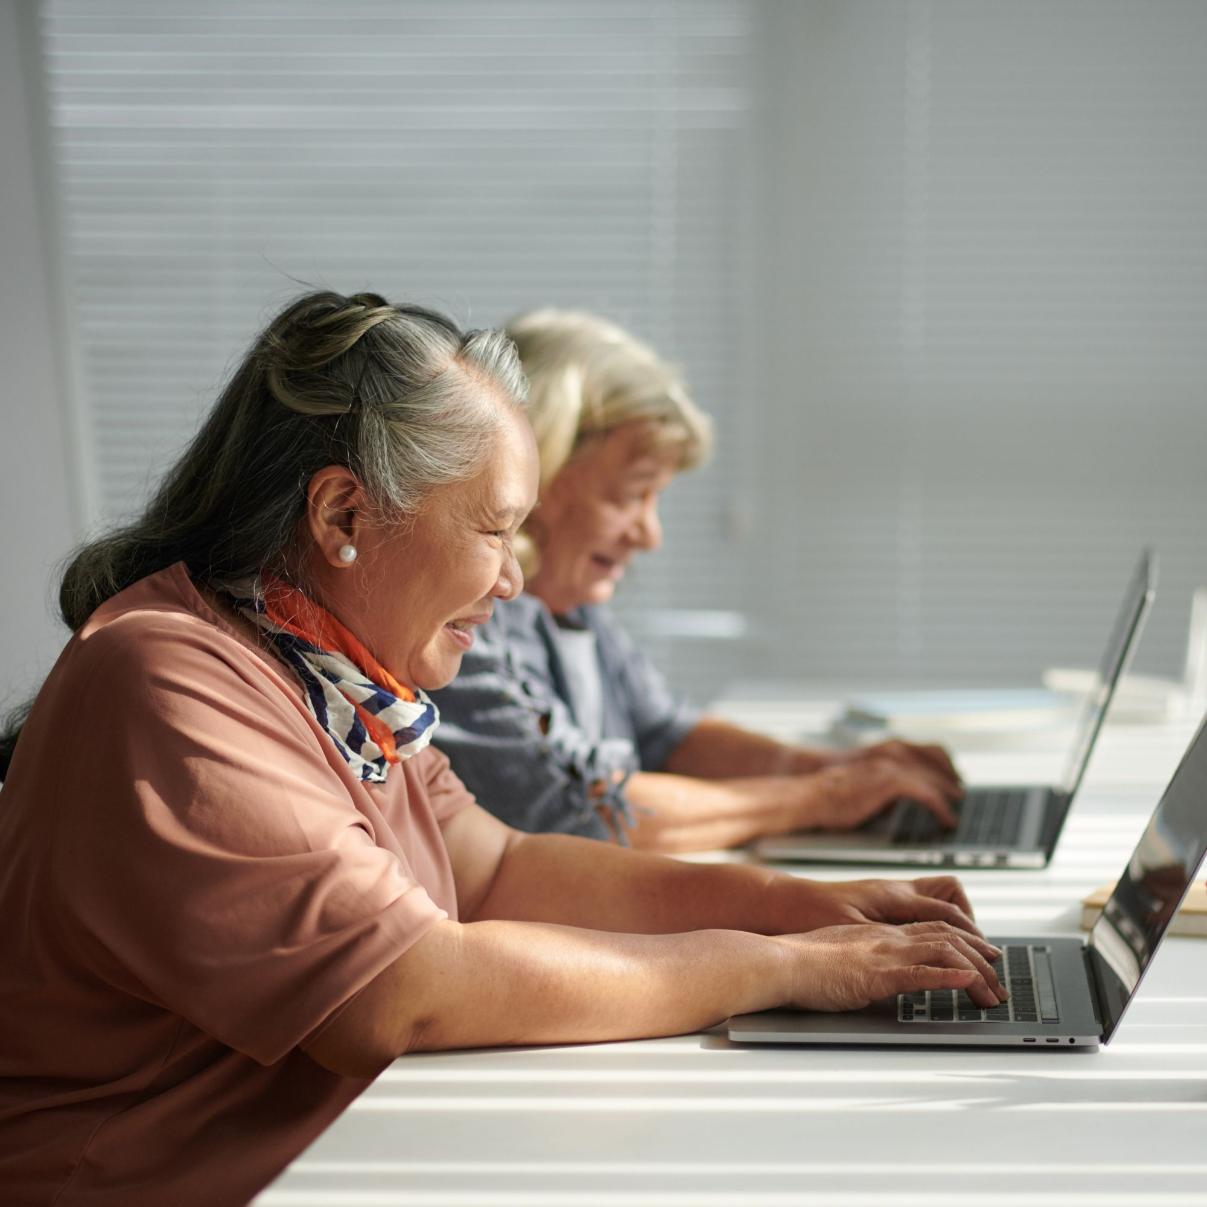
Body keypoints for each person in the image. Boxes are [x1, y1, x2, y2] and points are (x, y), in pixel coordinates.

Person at [0, 291, 1003, 1206]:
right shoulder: (169, 679)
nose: (512, 583)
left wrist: (800, 907)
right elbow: (402, 989)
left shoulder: (331, 672)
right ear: (343, 514)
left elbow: (499, 870)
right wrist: (778, 967)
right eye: (492, 530)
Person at [430, 309, 964, 851]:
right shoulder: (464, 626)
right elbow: (582, 809)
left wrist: (837, 768)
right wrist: (823, 796)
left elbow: (669, 736)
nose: (649, 535)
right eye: (629, 495)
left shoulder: (571, 607)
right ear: (533, 469)